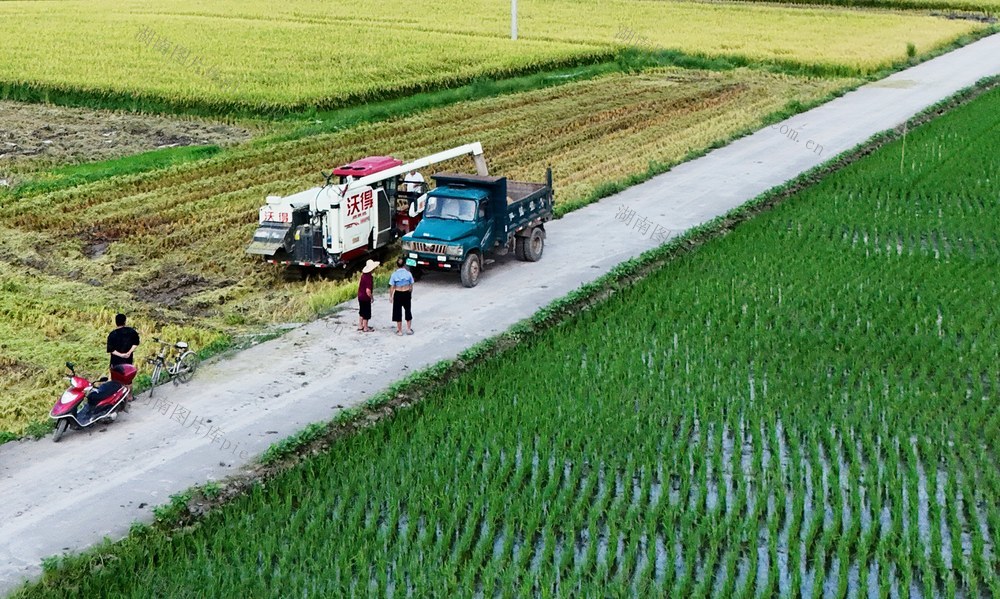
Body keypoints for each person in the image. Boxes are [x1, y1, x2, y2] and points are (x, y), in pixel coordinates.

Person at [389, 257, 415, 336]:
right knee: (408, 310)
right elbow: (411, 285)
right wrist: (410, 291)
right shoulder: (408, 273)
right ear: (404, 265)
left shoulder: (394, 274)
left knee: (397, 311)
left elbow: (392, 287)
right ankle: (408, 329)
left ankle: (399, 331)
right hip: (406, 293)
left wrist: (391, 296)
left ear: (397, 265)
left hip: (398, 293)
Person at [358, 259, 378, 332]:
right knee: (366, 312)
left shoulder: (363, 275)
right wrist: (371, 297)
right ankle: (365, 327)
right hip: (365, 297)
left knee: (361, 311)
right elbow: (368, 290)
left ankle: (360, 325)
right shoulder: (369, 277)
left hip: (360, 296)